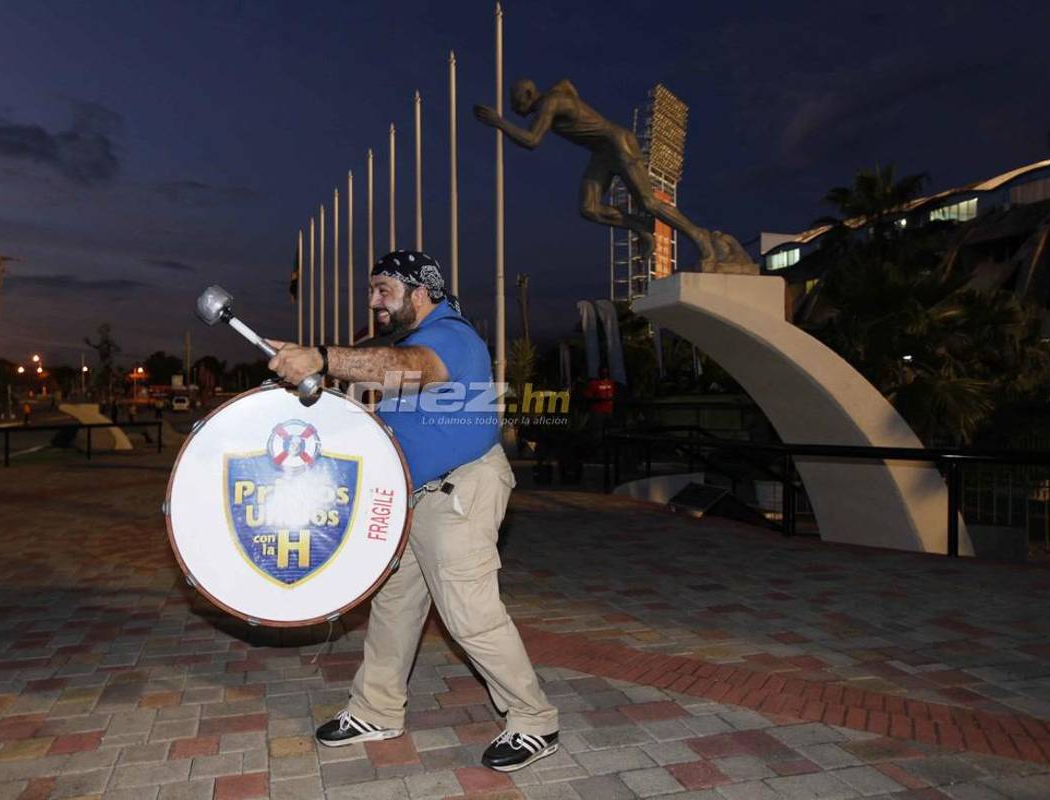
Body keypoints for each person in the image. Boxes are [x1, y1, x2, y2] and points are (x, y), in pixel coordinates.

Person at [268, 250, 559, 772]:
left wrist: (321, 357)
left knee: (470, 615)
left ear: (421, 293)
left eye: (384, 290)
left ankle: (534, 720)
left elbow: (411, 369)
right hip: (415, 495)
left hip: (462, 491)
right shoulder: (408, 346)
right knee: (394, 605)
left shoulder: (450, 336)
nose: (374, 301)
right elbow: (394, 412)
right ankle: (377, 709)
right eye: (372, 290)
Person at [473, 78, 754, 273]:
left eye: (513, 102)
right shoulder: (557, 95)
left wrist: (498, 122)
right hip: (601, 152)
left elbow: (532, 141)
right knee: (589, 208)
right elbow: (569, 84)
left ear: (527, 95)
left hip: (616, 143)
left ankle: (699, 236)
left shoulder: (551, 102)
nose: (512, 109)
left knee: (649, 202)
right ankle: (641, 228)